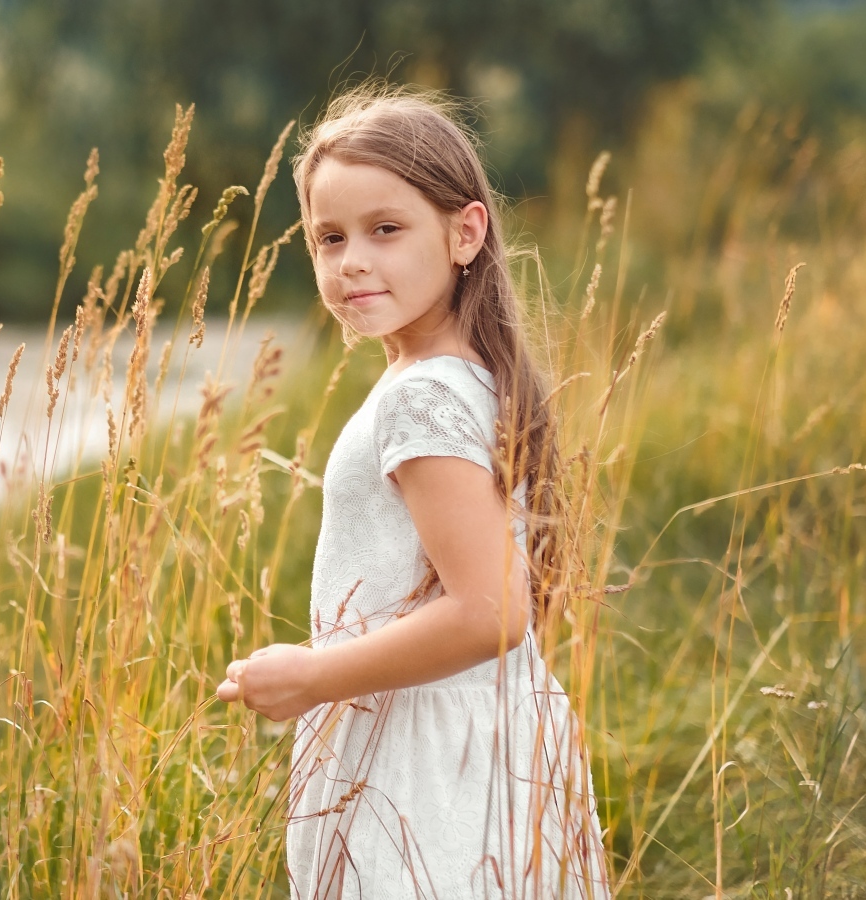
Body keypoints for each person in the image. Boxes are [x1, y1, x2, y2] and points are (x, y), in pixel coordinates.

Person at [216, 86, 611, 898]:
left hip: (426, 759)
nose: (351, 260)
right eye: (329, 238)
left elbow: (492, 611)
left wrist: (311, 677)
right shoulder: (463, 377)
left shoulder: (420, 398)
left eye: (385, 230)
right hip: (477, 736)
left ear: (466, 232)